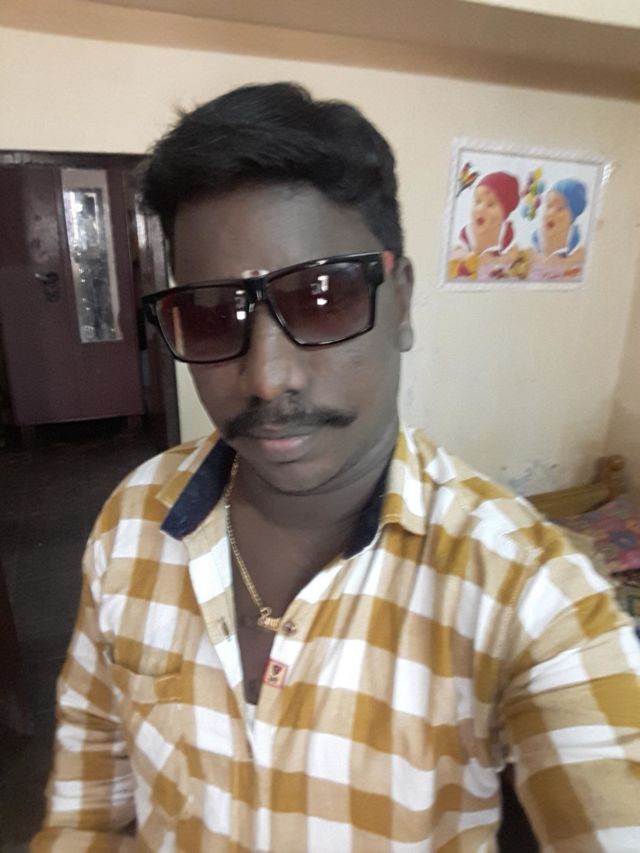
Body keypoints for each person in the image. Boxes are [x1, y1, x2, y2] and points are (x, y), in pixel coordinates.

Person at [34, 83, 639, 852]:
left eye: (323, 298)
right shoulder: (133, 520)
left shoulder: (531, 591)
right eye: (213, 315)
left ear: (402, 301)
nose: (268, 377)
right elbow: (88, 803)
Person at [530, 178, 588, 280]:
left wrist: (564, 262)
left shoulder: (579, 256)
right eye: (548, 206)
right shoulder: (531, 253)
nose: (550, 213)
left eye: (560, 208)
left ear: (572, 217)